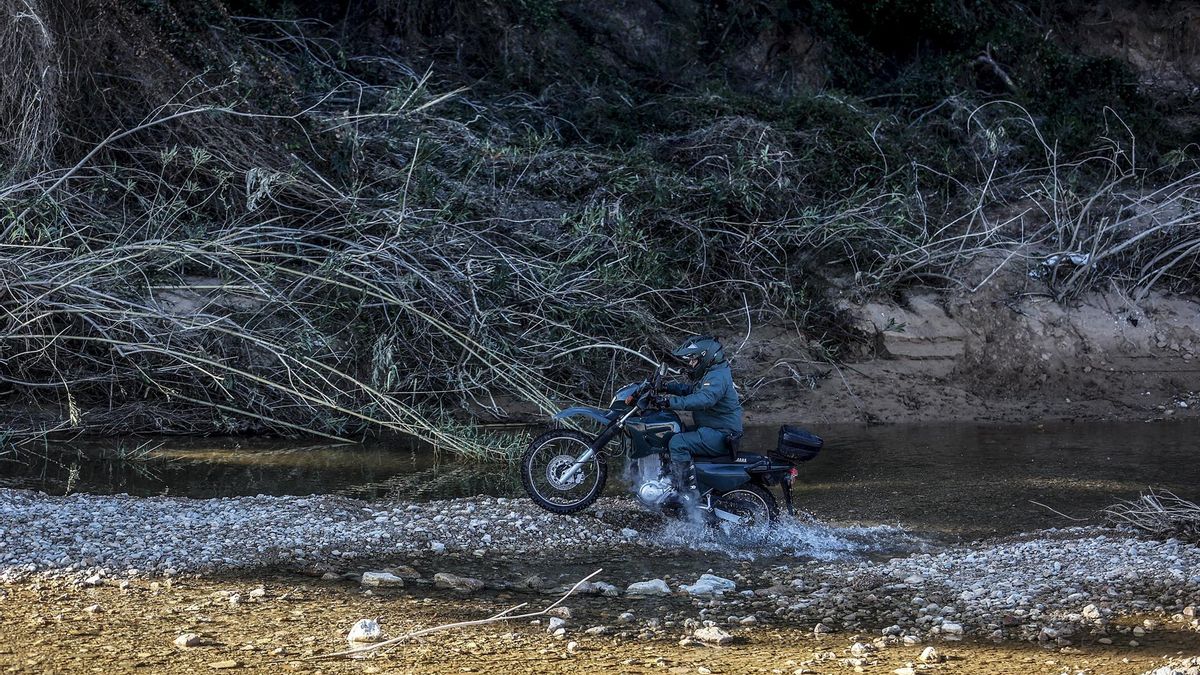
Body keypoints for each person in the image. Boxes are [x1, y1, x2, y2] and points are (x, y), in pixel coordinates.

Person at [652, 335, 744, 509]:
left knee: (678, 442)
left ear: (706, 357)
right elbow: (691, 390)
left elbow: (704, 399)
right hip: (714, 429)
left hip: (721, 434)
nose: (691, 364)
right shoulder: (714, 372)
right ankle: (669, 480)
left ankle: (685, 493)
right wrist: (666, 387)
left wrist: (669, 402)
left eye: (694, 360)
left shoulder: (717, 377)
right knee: (673, 432)